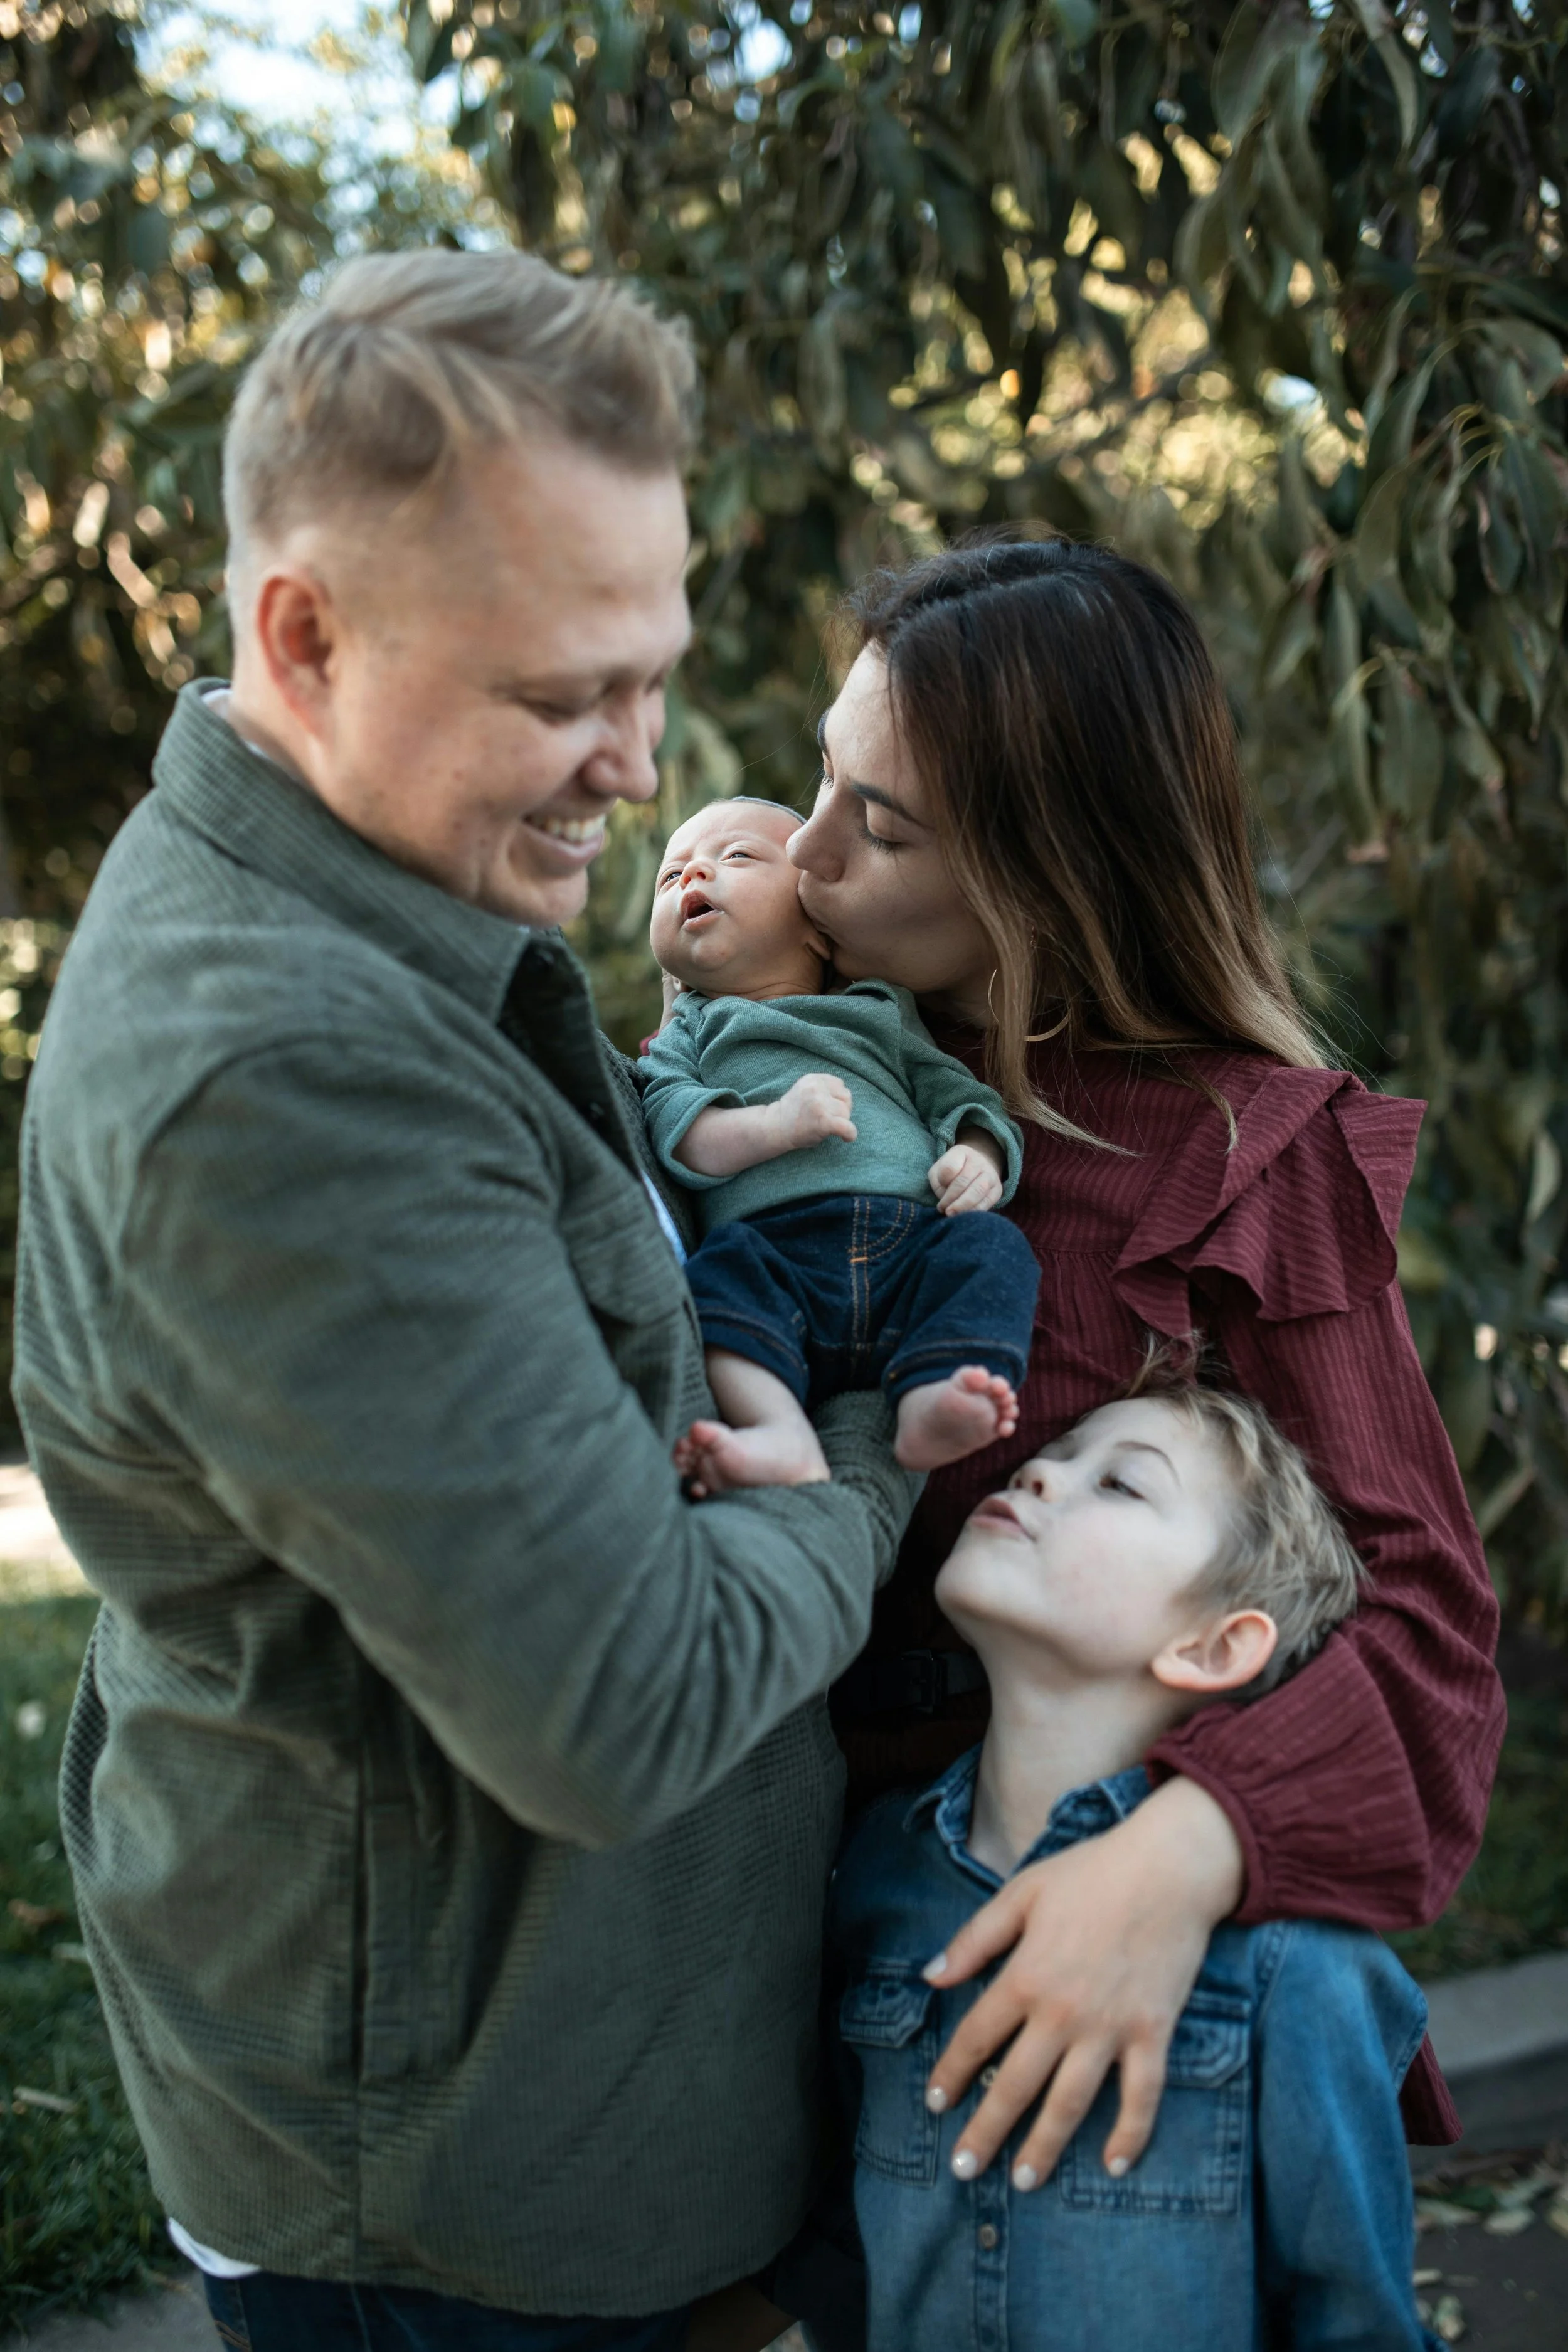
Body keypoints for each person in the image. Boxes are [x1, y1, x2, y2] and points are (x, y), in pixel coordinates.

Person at [11, 252, 921, 2351]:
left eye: (651, 675)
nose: (638, 765)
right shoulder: (291, 1084)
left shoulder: (379, 870)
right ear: (302, 636)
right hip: (455, 2207)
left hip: (534, 2088)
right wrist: (852, 1482)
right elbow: (616, 1714)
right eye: (555, 696)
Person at [783, 536, 1504, 2202]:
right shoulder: (799, 1063)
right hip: (812, 1950)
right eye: (823, 774)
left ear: (1049, 875)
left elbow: (1426, 1620)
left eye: (879, 823)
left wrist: (1184, 1851)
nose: (811, 852)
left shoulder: (1239, 1155)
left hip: (1135, 2011)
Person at [822, 1382, 1440, 2351]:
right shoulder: (873, 1876)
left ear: (1215, 1644)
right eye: (1056, 1454)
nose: (1037, 1469)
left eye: (1119, 1484)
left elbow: (1356, 2326)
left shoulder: (1293, 1965)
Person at [644, 795, 1041, 1488]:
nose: (693, 877)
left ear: (818, 932)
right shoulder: (690, 1033)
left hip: (910, 1241)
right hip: (774, 1254)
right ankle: (778, 1431)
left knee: (995, 1250)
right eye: (669, 876)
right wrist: (773, 1127)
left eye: (734, 857)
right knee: (712, 1282)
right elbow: (679, 1134)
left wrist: (976, 1152)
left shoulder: (878, 1012)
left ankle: (934, 1394)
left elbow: (959, 1096)